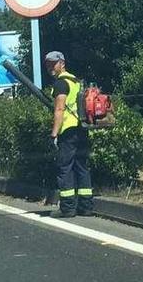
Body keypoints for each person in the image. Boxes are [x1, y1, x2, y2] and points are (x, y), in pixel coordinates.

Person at [45, 51, 93, 218]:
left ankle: (67, 208)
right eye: (48, 64)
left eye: (53, 63)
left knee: (65, 168)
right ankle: (86, 206)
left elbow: (59, 109)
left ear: (62, 63)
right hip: (82, 128)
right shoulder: (75, 81)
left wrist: (53, 134)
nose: (50, 66)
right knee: (82, 167)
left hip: (68, 130)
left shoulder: (61, 83)